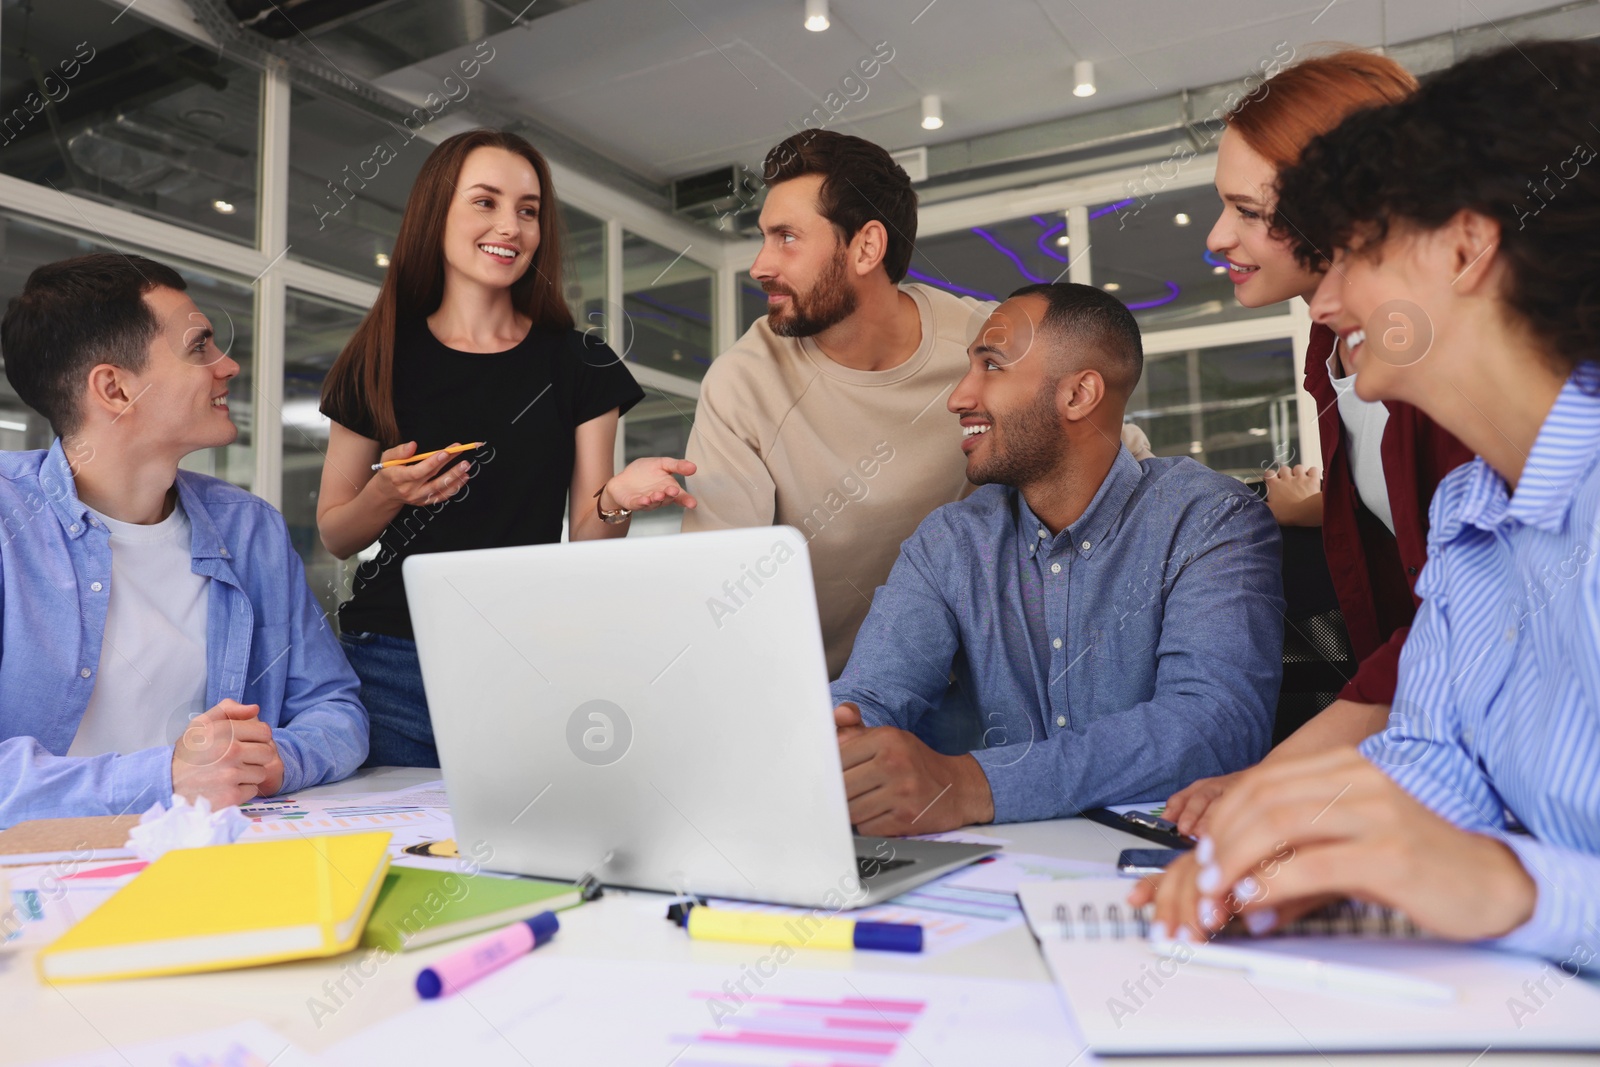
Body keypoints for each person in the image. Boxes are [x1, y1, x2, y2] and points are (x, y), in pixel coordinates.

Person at [1138, 40, 1600, 961]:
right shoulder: (1472, 519)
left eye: (1356, 249)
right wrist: (1316, 837)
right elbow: (1432, 765)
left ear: (1467, 245)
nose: (1331, 293)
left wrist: (1506, 884)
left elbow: (1491, 862)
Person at [683, 130, 1150, 680]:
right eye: (764, 237)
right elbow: (718, 582)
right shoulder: (743, 382)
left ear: (866, 247)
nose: (760, 265)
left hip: (983, 677)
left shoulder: (984, 344)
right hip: (822, 686)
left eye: (786, 237)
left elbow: (1109, 447)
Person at [828, 283, 1284, 834]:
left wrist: (974, 784)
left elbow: (1213, 725)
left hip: (1167, 877)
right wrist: (840, 737)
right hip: (1011, 872)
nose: (959, 397)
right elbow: (874, 693)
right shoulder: (951, 540)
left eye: (991, 366)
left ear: (1078, 395)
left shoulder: (1207, 518)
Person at [1166, 51, 1474, 835]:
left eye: (1246, 209)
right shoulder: (1329, 345)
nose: (1217, 235)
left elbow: (1466, 610)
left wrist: (1289, 774)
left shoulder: (1446, 362)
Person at [317, 129, 692, 768]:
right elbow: (336, 533)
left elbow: (588, 533)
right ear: (436, 214)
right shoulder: (377, 358)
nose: (510, 227)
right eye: (485, 202)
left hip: (526, 660)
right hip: (390, 662)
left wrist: (618, 501)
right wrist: (387, 492)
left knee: (522, 857)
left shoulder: (578, 363)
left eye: (528, 210)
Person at [0, 254, 368, 827]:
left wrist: (276, 761)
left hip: (211, 858)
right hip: (44, 880)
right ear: (115, 389)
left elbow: (334, 708)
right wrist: (165, 777)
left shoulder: (251, 531)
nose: (229, 366)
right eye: (199, 348)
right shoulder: (8, 523)